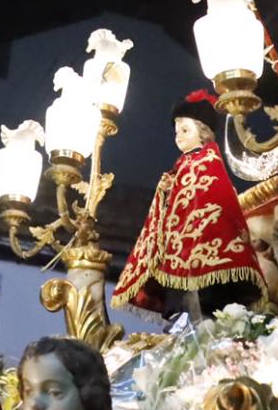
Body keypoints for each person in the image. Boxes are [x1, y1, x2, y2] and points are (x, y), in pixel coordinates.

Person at [110, 92, 264, 318]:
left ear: (203, 132)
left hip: (203, 251)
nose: (179, 137)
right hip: (177, 253)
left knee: (202, 304)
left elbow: (213, 204)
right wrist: (165, 191)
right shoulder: (183, 164)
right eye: (177, 132)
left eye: (185, 130)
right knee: (180, 306)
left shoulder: (207, 163)